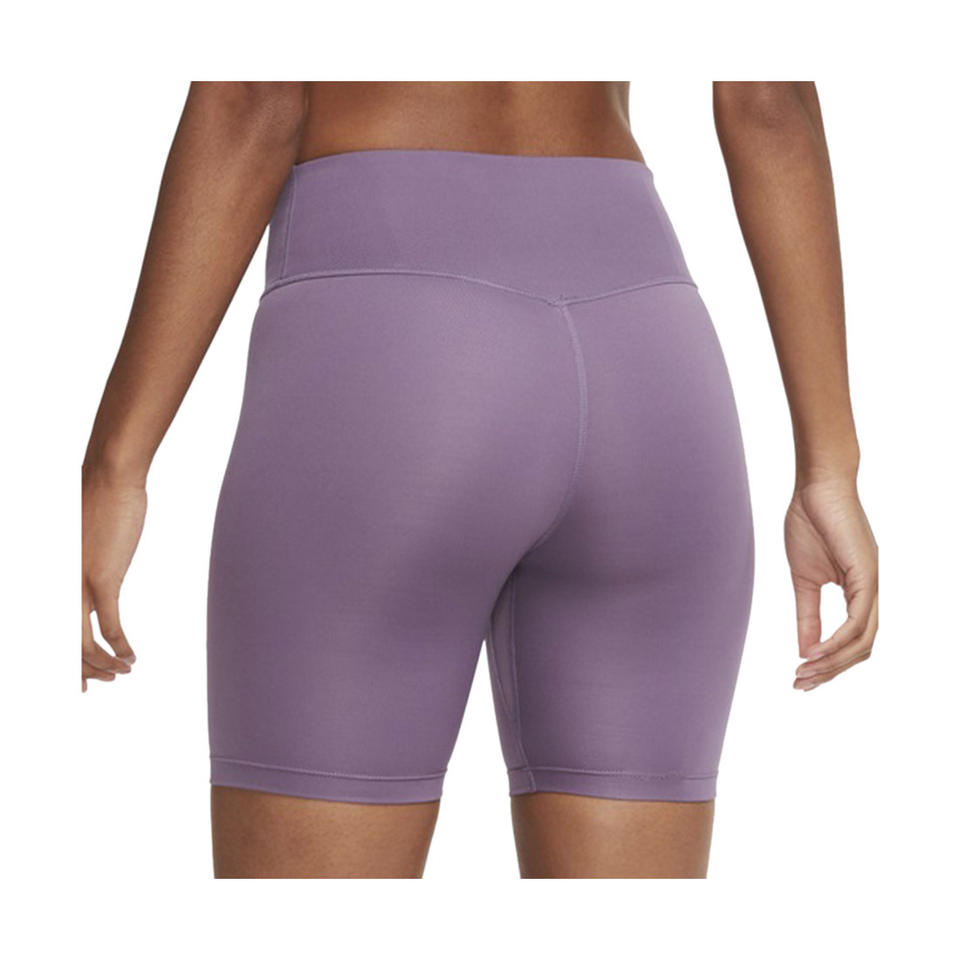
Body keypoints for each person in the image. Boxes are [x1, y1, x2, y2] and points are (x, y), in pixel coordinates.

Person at [81, 82, 878, 878]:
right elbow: (768, 103)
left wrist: (115, 468)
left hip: (392, 345)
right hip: (651, 359)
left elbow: (251, 98)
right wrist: (828, 468)